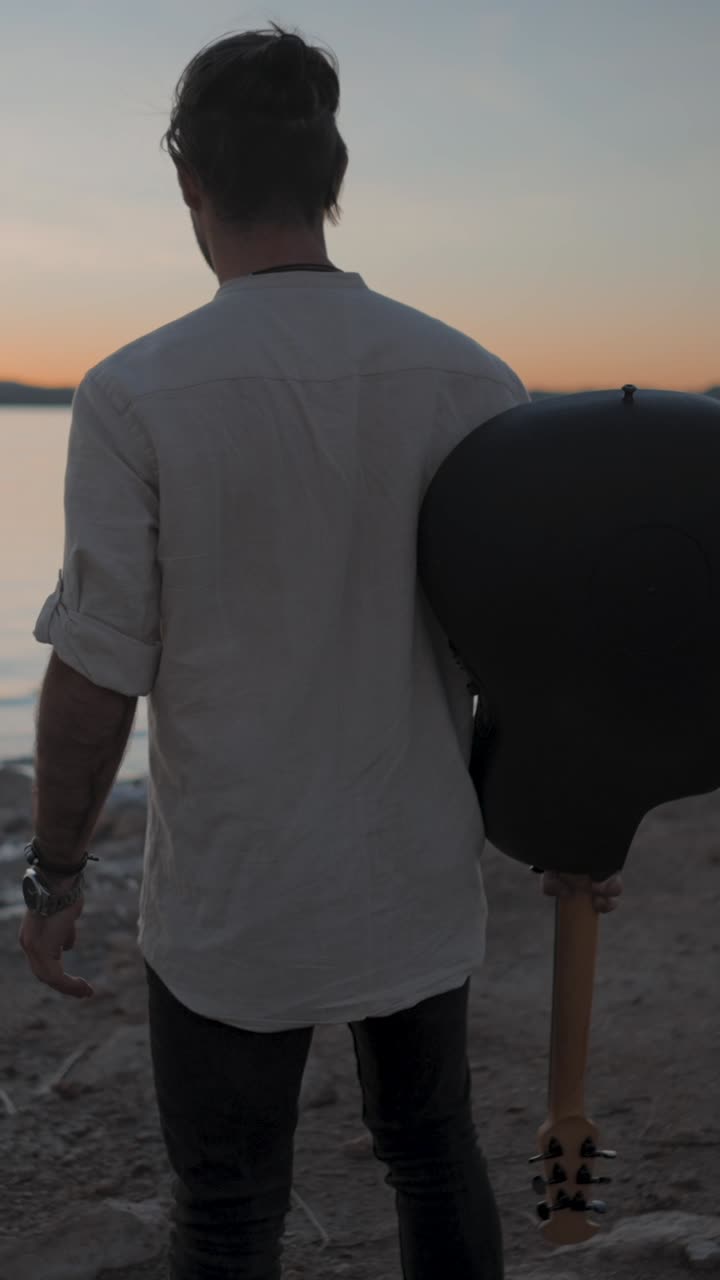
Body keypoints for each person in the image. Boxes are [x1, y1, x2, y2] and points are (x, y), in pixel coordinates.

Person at [24, 21, 622, 1280]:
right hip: (410, 866)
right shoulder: (472, 378)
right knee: (430, 1147)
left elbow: (94, 675)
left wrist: (57, 871)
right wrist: (572, 814)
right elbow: (522, 650)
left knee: (232, 1206)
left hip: (236, 896)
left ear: (190, 178)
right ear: (332, 175)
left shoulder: (136, 393)